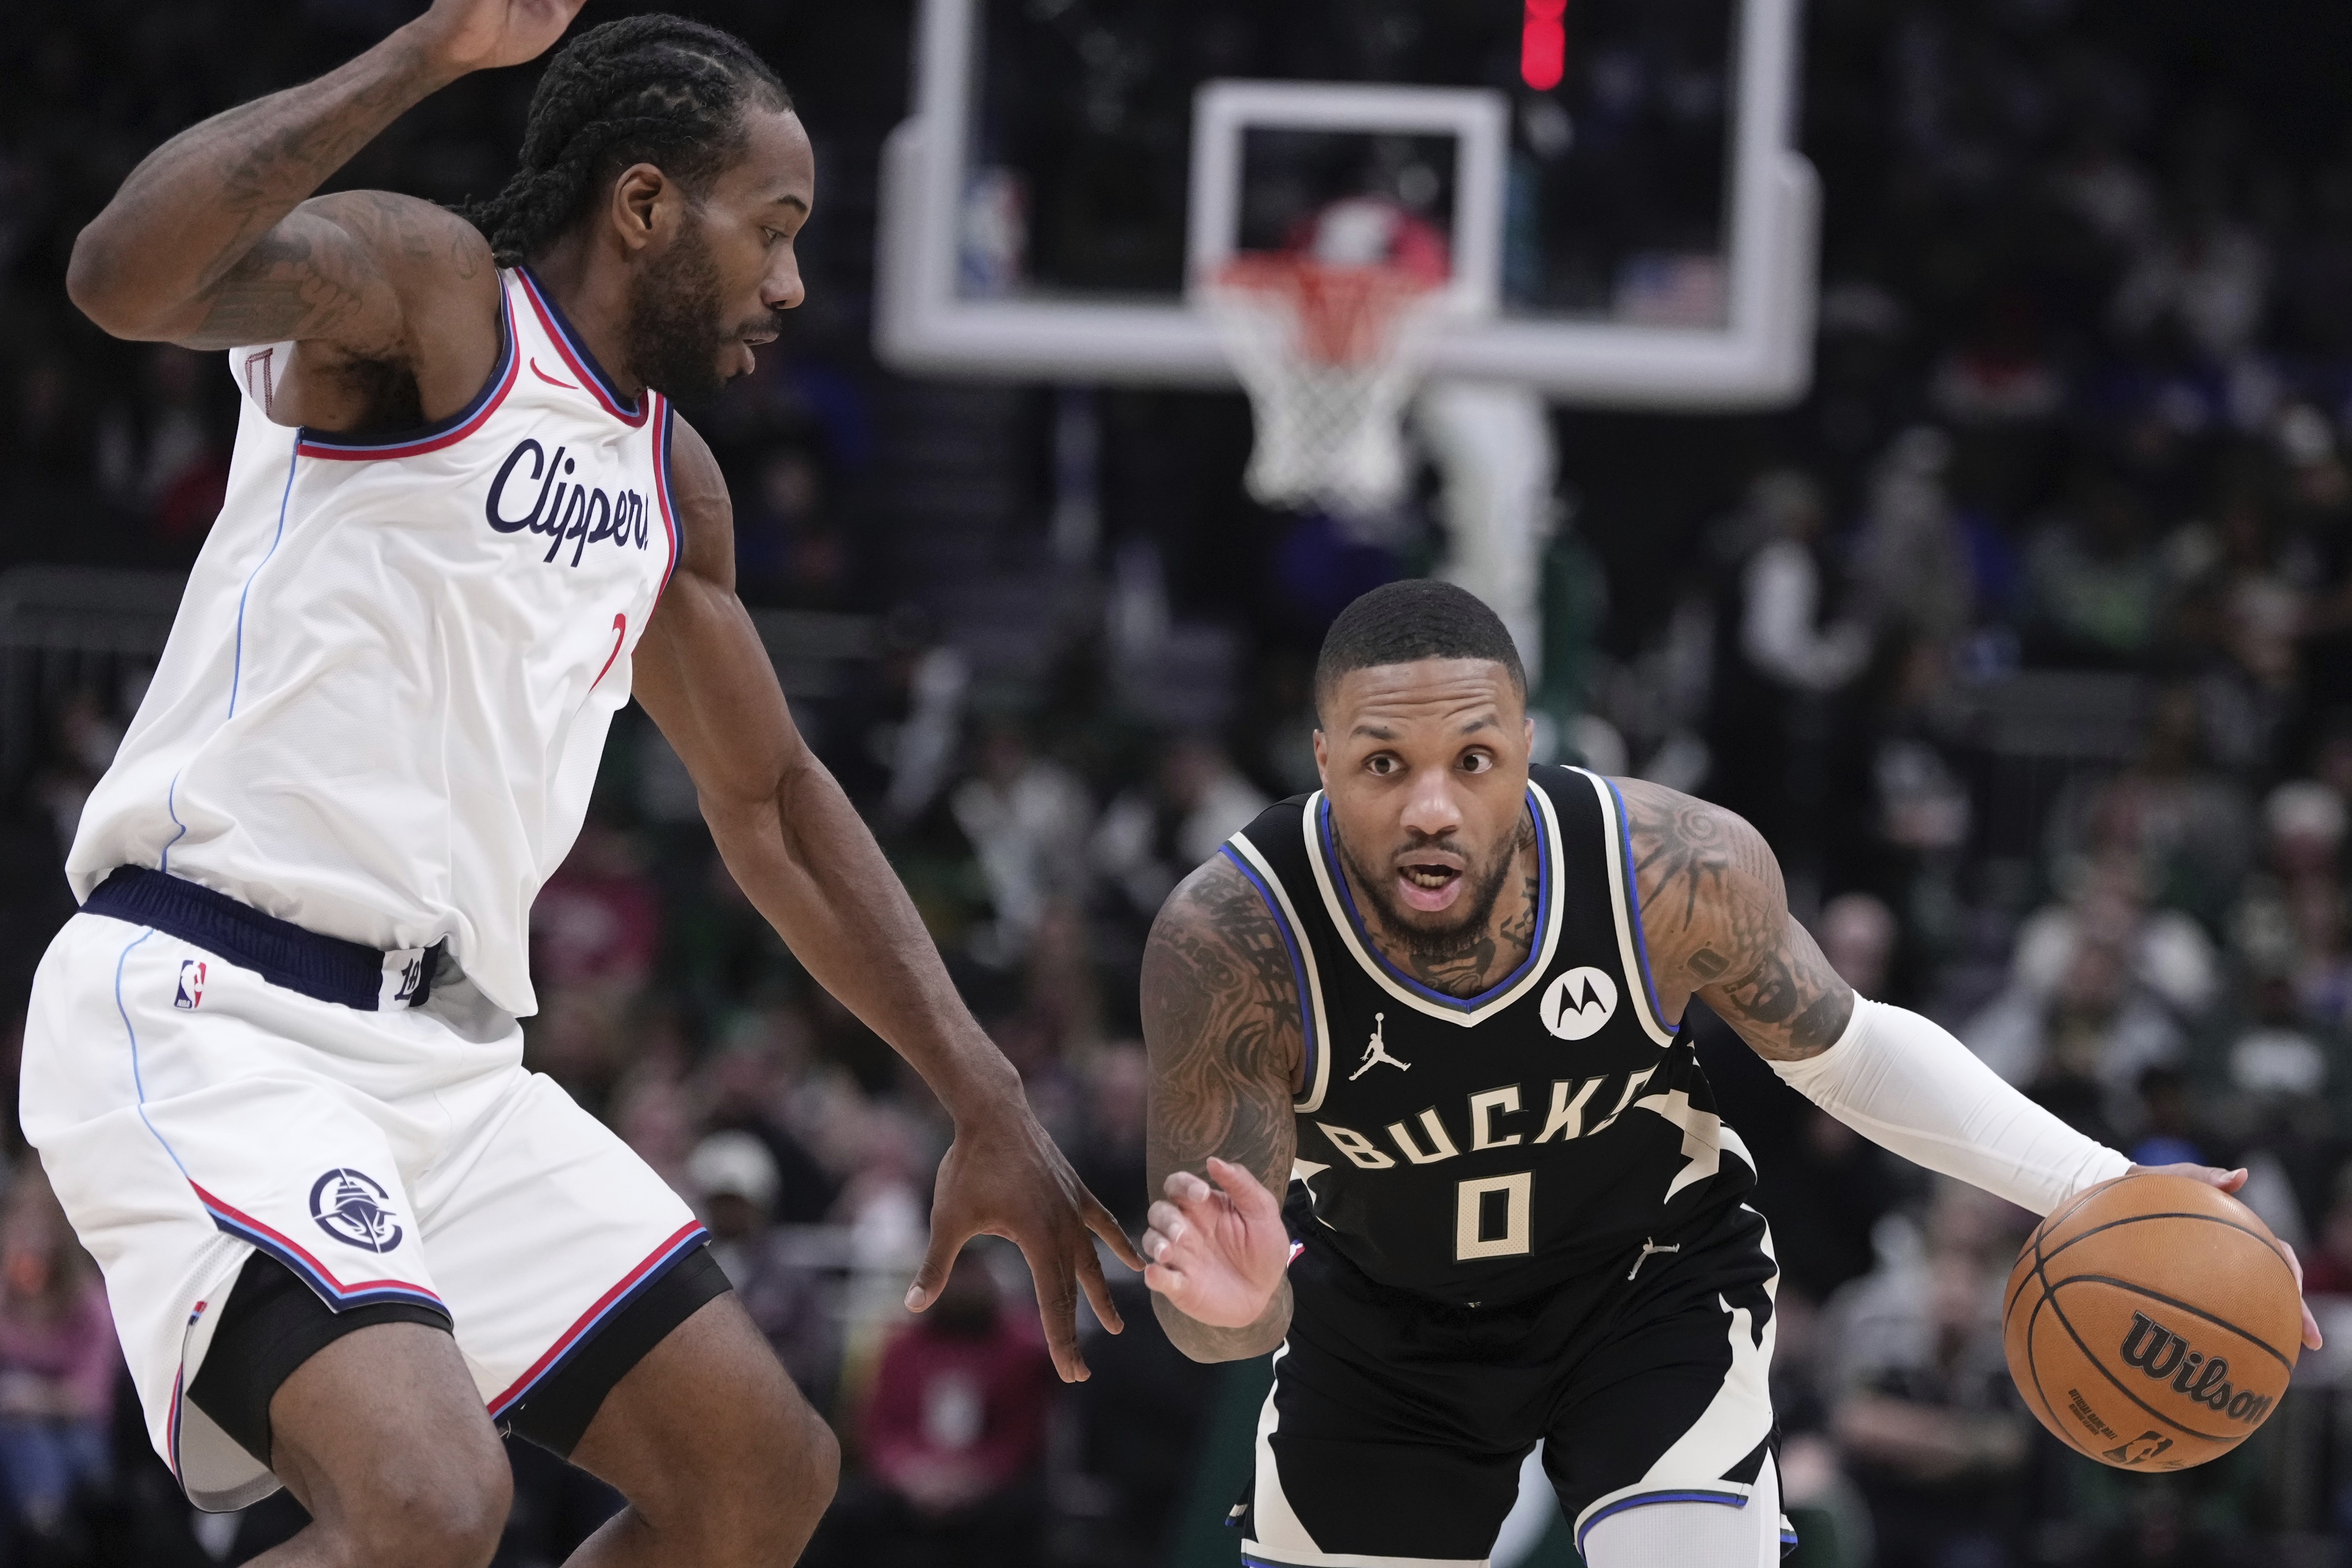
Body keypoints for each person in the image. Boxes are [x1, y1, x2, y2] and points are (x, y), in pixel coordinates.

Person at [29, 6, 1140, 1565]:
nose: (791, 284)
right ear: (643, 205)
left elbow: (774, 807)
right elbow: (122, 276)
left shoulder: (672, 486)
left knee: (758, 1479)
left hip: (450, 1070)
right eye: (772, 228)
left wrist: (983, 1091)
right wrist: (426, 56)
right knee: (430, 1506)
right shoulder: (434, 302)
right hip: (217, 1005)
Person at [1133, 579, 2321, 1568]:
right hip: (1384, 1320)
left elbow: (1850, 1053)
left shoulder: (1667, 868)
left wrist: (2103, 1183)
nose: (1432, 808)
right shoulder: (1232, 944)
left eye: (1474, 758)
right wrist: (1237, 1311)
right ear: (1322, 760)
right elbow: (1207, 1323)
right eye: (1384, 764)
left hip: (1643, 1282)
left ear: (1528, 751)